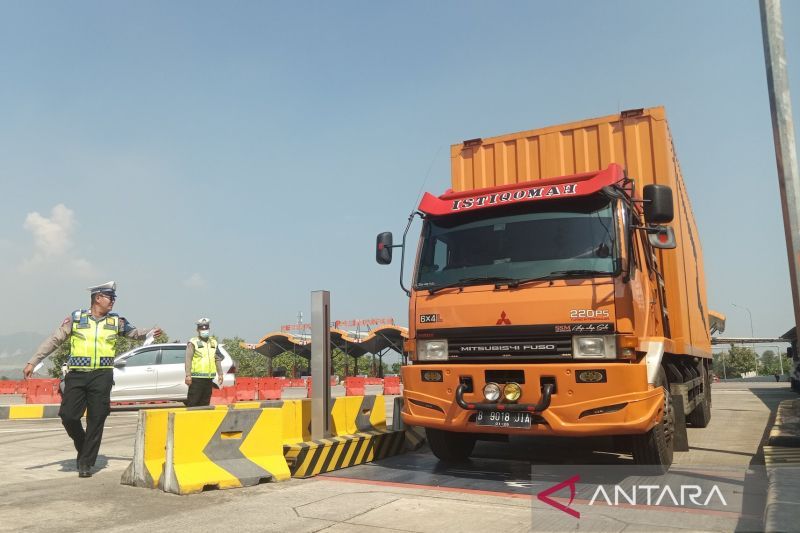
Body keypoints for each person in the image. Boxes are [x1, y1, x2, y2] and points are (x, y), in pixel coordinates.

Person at [22, 281, 161, 478]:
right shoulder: (76, 319)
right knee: (68, 416)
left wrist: (150, 331)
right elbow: (54, 340)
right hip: (77, 374)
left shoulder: (116, 322)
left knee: (97, 418)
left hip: (102, 376)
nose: (113, 301)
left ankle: (86, 462)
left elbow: (134, 333)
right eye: (109, 297)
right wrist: (33, 361)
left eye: (113, 298)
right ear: (97, 298)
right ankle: (83, 445)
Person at [185, 318, 224, 407]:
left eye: (206, 329)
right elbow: (188, 359)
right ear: (197, 330)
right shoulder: (193, 342)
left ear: (209, 329)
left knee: (205, 403)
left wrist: (220, 374)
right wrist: (188, 375)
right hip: (196, 379)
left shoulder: (213, 342)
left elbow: (217, 358)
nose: (204, 330)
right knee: (193, 402)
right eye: (202, 329)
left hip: (209, 378)